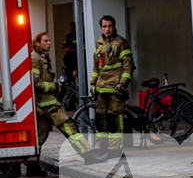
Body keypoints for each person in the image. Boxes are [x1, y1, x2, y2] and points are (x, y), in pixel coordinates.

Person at [31, 32, 88, 163]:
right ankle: (88, 153)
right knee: (68, 124)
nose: (49, 43)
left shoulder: (42, 57)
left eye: (49, 40)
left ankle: (32, 166)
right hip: (46, 102)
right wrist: (54, 87)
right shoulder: (35, 59)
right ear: (37, 43)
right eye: (46, 41)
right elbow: (35, 83)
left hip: (41, 104)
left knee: (40, 135)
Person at [92, 16, 135, 159]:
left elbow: (128, 67)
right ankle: (100, 149)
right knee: (100, 120)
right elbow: (96, 66)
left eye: (109, 26)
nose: (107, 29)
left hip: (116, 89)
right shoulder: (99, 42)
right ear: (101, 27)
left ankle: (114, 150)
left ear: (114, 26)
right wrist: (93, 83)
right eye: (104, 26)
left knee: (114, 120)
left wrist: (122, 84)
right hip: (101, 89)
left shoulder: (121, 43)